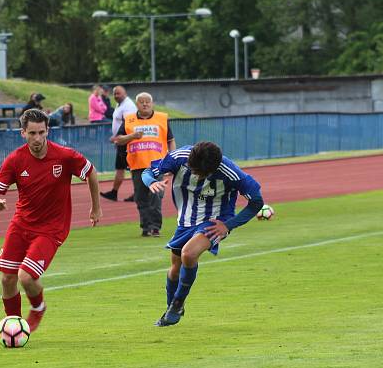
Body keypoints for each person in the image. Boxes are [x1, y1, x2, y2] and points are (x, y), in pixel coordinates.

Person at [0, 108, 102, 333]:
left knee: (26, 277)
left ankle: (38, 308)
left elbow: (91, 172)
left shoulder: (65, 156)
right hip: (21, 224)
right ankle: (14, 326)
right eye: (32, 133)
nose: (37, 138)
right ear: (23, 133)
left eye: (41, 132)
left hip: (51, 229)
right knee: (7, 279)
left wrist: (96, 208)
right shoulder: (15, 160)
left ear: (48, 130)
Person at [143, 141, 265, 326]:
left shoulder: (231, 172)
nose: (194, 175)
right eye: (192, 170)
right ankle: (172, 307)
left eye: (200, 173)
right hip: (185, 222)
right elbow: (148, 172)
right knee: (175, 269)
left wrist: (228, 225)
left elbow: (256, 201)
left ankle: (178, 302)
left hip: (214, 222)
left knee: (188, 253)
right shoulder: (179, 157)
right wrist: (152, 182)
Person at [112, 92, 176, 237]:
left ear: (152, 103)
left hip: (157, 165)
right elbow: (119, 140)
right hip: (137, 165)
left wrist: (173, 161)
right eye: (142, 102)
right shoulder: (129, 120)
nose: (145, 104)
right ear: (137, 104)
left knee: (156, 196)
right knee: (141, 198)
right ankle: (146, 227)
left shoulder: (162, 118)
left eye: (148, 101)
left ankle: (155, 227)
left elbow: (170, 140)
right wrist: (132, 136)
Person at [100, 85, 137, 202]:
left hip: (127, 142)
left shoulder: (128, 106)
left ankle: (138, 193)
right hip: (121, 141)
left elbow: (129, 124)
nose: (116, 96)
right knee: (120, 168)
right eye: (114, 93)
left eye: (118, 93)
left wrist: (118, 137)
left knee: (133, 168)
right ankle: (114, 192)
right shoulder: (120, 104)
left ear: (124, 93)